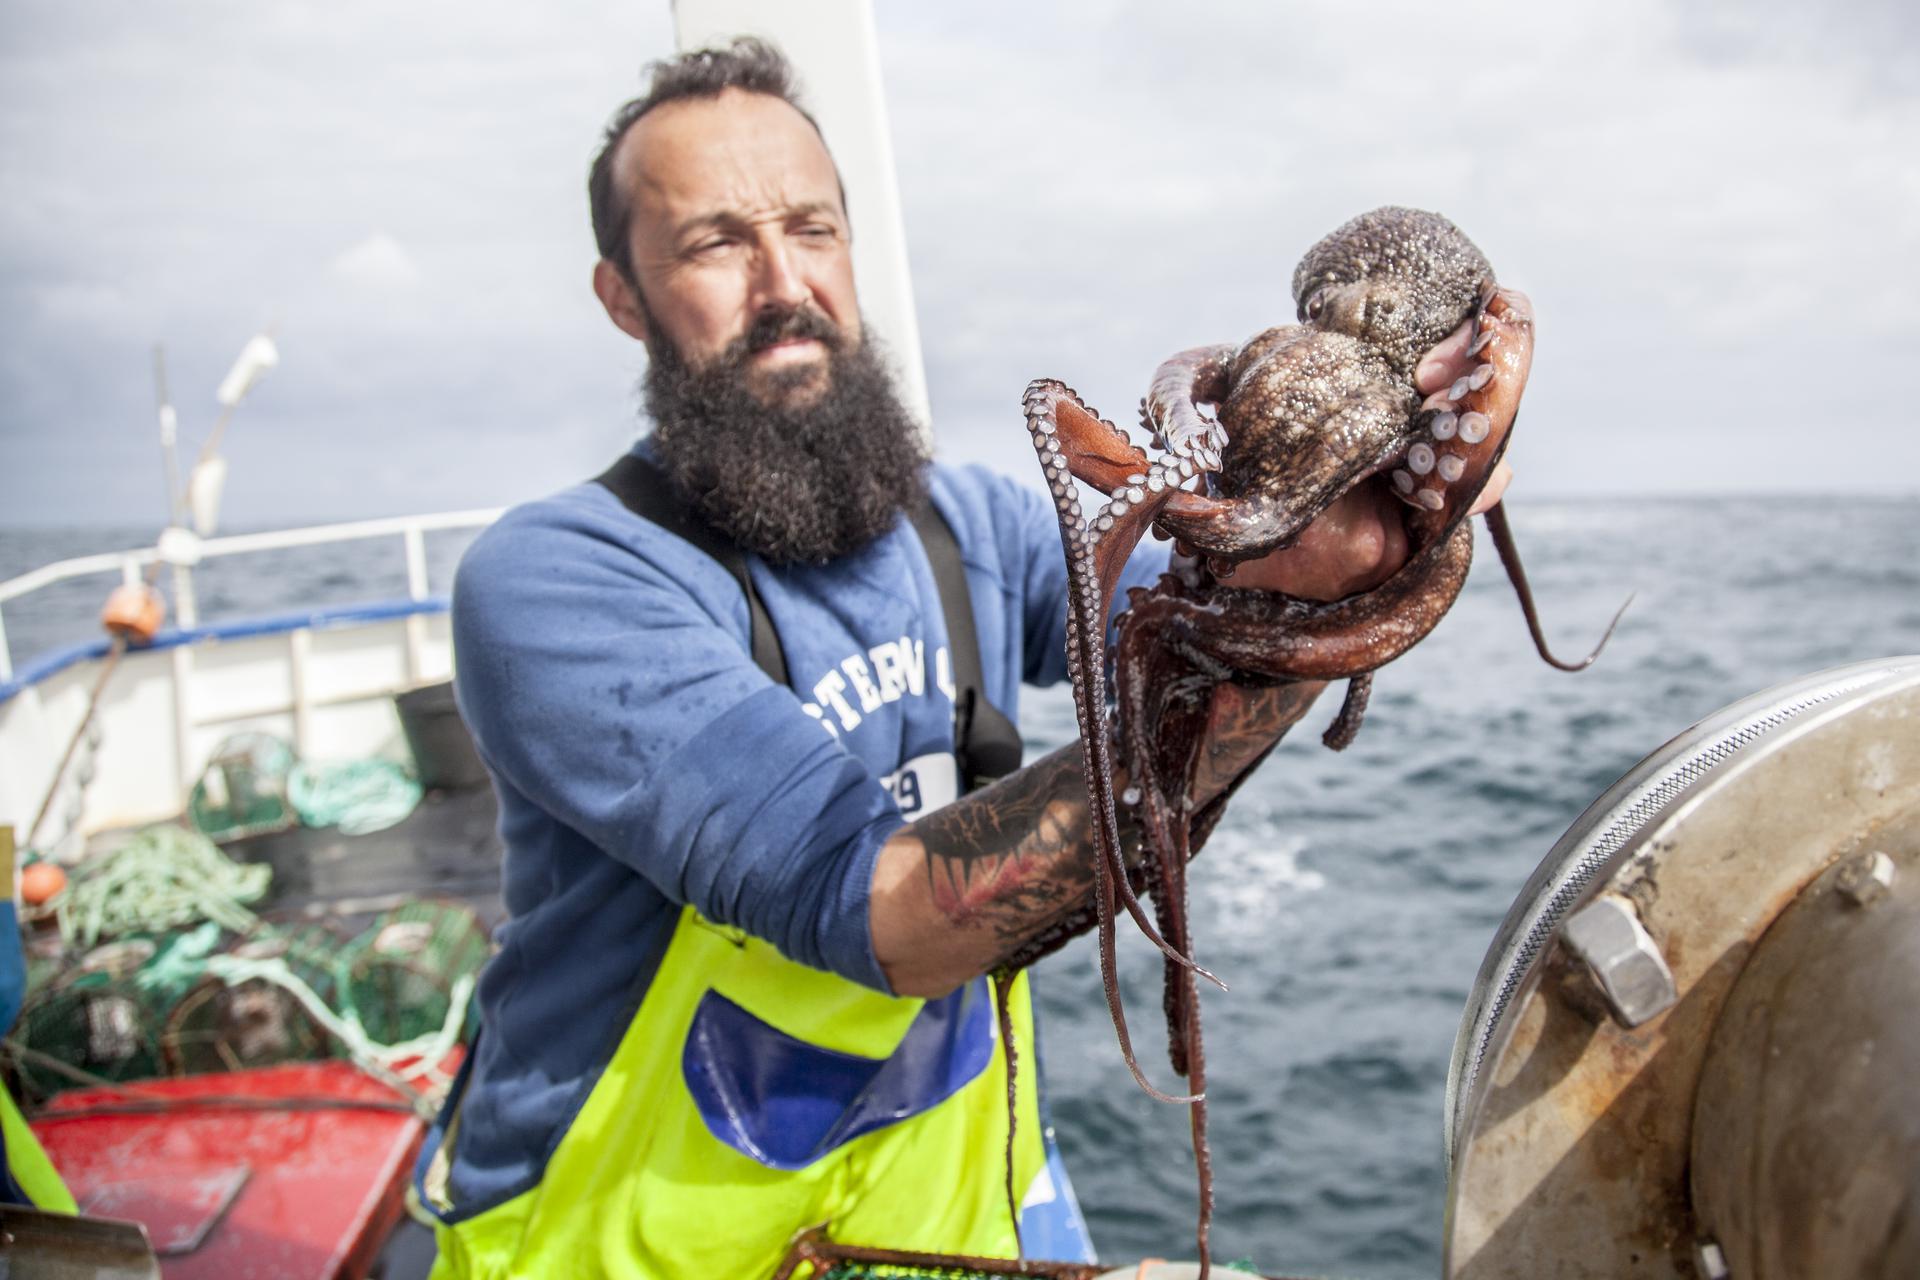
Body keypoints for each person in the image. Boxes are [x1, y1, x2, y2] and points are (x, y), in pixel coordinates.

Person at [415, 37, 1518, 1279]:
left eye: (813, 229)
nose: (786, 282)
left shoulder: (966, 529)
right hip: (630, 1243)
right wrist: (1288, 639)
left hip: (945, 1215)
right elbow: (883, 914)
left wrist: (1323, 568)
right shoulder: (559, 581)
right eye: (717, 243)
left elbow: (1206, 609)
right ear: (624, 295)